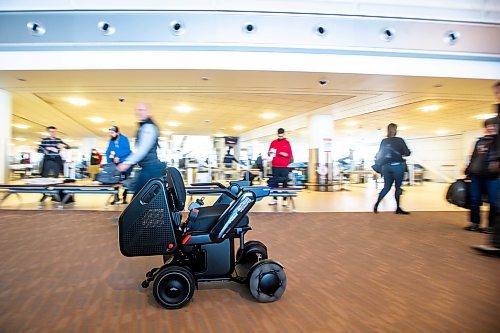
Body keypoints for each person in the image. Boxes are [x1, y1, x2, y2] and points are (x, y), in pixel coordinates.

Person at [116, 102, 166, 196]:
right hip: (148, 168)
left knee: (138, 202)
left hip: (150, 169)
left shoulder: (148, 127)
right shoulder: (145, 126)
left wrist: (127, 163)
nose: (139, 112)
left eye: (142, 110)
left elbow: (142, 150)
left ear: (149, 112)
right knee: (143, 201)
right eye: (137, 110)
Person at [373, 123, 411, 214]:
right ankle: (397, 208)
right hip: (397, 166)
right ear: (396, 130)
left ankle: (377, 204)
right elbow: (407, 153)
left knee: (386, 187)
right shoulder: (400, 140)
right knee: (398, 188)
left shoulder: (384, 141)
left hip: (386, 167)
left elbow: (380, 154)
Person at [106, 126, 132, 204]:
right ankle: (116, 198)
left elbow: (127, 150)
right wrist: (109, 161)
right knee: (115, 180)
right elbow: (108, 151)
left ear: (117, 133)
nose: (111, 134)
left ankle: (124, 198)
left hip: (126, 162)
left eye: (112, 133)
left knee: (125, 181)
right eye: (110, 133)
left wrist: (118, 156)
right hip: (116, 163)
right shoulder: (111, 140)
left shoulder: (124, 139)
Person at [268, 128, 293, 207]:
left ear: (284, 134)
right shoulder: (273, 142)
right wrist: (270, 153)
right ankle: (274, 199)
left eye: (281, 135)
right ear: (277, 134)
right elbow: (269, 153)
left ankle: (284, 199)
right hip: (275, 166)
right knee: (275, 183)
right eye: (279, 135)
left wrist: (284, 154)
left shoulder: (287, 143)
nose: (280, 136)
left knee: (284, 183)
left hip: (284, 167)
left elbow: (289, 155)